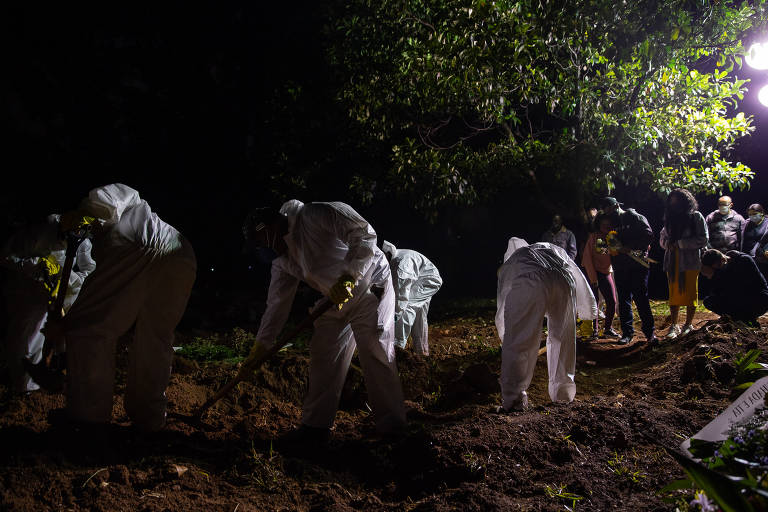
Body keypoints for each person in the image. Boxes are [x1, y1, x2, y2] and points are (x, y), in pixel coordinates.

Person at [242, 200, 406, 440]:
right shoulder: (282, 260)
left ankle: (392, 428)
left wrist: (350, 276)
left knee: (375, 350)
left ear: (266, 228)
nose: (261, 250)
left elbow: (364, 235)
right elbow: (277, 305)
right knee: (323, 353)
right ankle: (315, 427)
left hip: (370, 284)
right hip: (335, 298)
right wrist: (261, 346)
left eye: (259, 242)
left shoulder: (316, 214)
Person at [50, 184, 197, 431]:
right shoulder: (113, 225)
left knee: (90, 329)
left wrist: (88, 212)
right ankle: (149, 417)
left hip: (135, 243)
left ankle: (88, 417)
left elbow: (94, 302)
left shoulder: (98, 207)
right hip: (181, 252)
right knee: (156, 336)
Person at [495, 238, 596, 412]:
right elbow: (576, 272)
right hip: (564, 281)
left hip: (530, 283)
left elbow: (504, 300)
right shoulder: (550, 248)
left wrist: (505, 333)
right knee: (563, 339)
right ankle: (563, 396)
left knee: (521, 342)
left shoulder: (512, 262)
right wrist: (588, 310)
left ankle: (514, 400)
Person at [1, 215, 95, 393]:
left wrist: (66, 280)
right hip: (24, 291)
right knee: (24, 336)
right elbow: (6, 256)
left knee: (47, 335)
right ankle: (22, 386)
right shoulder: (39, 231)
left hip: (52, 293)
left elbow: (88, 270)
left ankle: (42, 379)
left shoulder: (82, 240)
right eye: (70, 234)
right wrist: (36, 265)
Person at [598, 197, 657, 345]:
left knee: (641, 298)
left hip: (638, 264)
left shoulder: (634, 217)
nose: (610, 214)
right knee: (623, 300)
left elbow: (648, 235)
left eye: (611, 210)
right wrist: (615, 247)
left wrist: (631, 247)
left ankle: (650, 333)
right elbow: (607, 242)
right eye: (607, 212)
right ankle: (627, 333)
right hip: (620, 266)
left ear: (617, 206)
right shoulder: (612, 223)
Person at [659, 189, 708, 339]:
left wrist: (680, 244)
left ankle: (688, 324)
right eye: (671, 200)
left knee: (690, 293)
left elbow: (703, 239)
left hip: (690, 261)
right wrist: (668, 244)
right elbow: (662, 238)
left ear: (685, 201)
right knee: (673, 294)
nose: (674, 204)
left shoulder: (696, 217)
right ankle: (674, 325)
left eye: (676, 200)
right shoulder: (670, 218)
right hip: (672, 262)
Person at [381, 241, 442, 356]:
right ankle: (422, 352)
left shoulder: (400, 265)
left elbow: (401, 296)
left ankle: (397, 346)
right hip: (424, 277)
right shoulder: (395, 260)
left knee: (408, 306)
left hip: (429, 280)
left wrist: (393, 317)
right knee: (420, 314)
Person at [700, 249, 768, 326]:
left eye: (719, 266)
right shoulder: (720, 270)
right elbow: (716, 292)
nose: (718, 269)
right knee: (709, 301)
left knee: (731, 297)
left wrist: (715, 276)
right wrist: (710, 276)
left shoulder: (743, 260)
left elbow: (737, 288)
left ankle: (743, 318)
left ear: (723, 259)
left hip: (758, 299)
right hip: (740, 298)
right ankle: (739, 318)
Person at [580, 214, 619, 338]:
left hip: (605, 271)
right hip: (592, 272)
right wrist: (593, 278)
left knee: (612, 301)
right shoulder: (595, 237)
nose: (606, 227)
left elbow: (613, 254)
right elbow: (588, 259)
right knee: (594, 301)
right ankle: (594, 330)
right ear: (598, 225)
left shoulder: (611, 237)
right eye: (603, 225)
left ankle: (607, 328)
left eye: (608, 225)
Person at [742, 204, 768, 279]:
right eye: (750, 214)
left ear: (762, 213)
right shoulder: (746, 223)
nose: (752, 216)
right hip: (748, 259)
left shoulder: (766, 223)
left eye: (754, 214)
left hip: (763, 259)